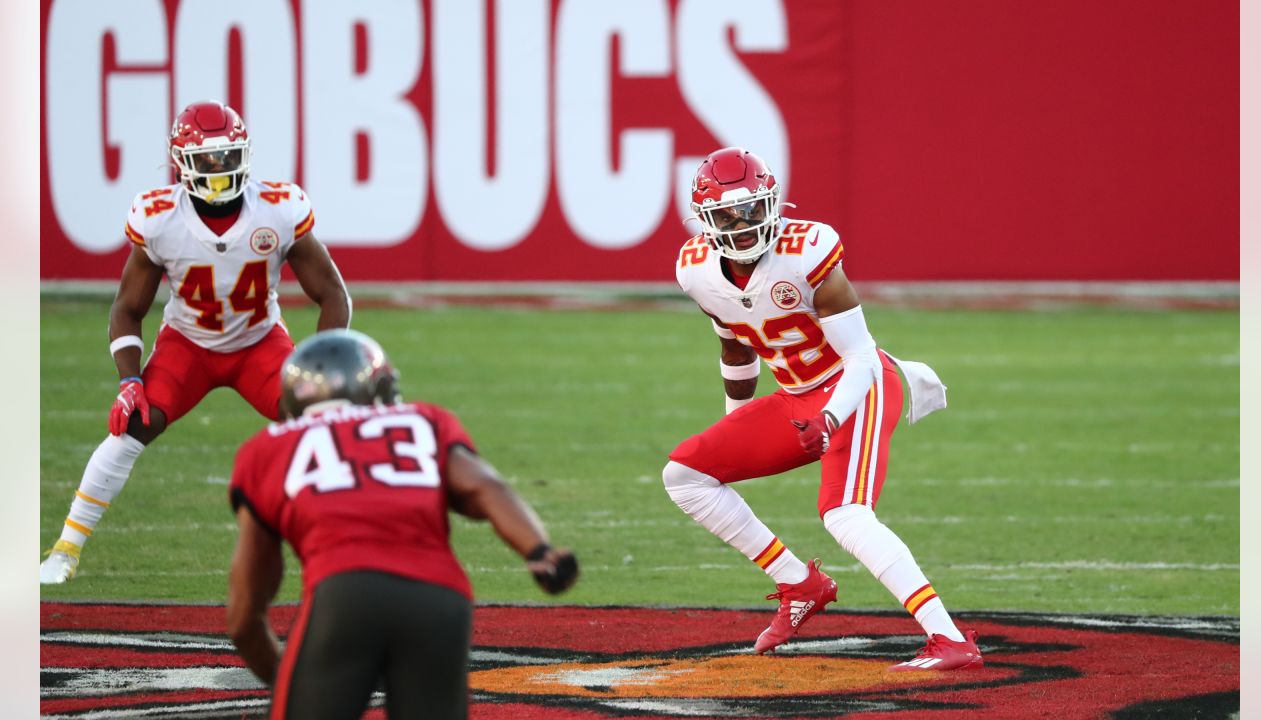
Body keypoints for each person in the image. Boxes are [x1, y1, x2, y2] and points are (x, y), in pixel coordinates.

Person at [664, 147, 982, 671]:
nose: (743, 227)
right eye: (728, 217)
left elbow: (860, 354)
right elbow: (736, 348)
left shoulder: (808, 250)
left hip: (856, 386)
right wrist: (732, 424)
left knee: (845, 514)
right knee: (686, 476)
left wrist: (831, 417)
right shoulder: (696, 269)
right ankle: (798, 582)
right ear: (705, 222)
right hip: (796, 397)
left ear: (774, 206)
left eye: (753, 212)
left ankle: (949, 640)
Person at [40, 101, 352, 584]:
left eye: (229, 156)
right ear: (183, 162)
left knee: (322, 422)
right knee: (132, 426)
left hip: (259, 344)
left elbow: (332, 295)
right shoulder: (159, 217)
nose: (220, 168)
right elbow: (127, 308)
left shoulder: (279, 208)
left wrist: (320, 366)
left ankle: (347, 548)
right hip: (188, 346)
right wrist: (128, 380)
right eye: (208, 159)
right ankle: (66, 547)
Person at [225, 329, 579, 719]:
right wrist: (539, 550)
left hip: (346, 593)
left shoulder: (268, 448)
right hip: (440, 599)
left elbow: (244, 617)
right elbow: (483, 486)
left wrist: (296, 688)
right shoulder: (423, 420)